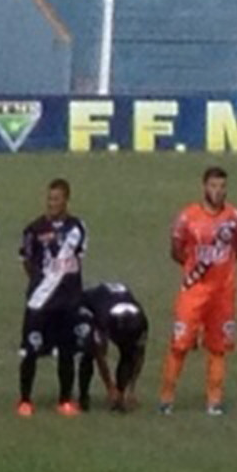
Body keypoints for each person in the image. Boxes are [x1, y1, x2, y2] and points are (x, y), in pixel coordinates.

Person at [163, 165, 237, 416]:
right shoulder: (188, 217)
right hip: (194, 290)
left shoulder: (236, 219)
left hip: (223, 292)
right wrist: (193, 269)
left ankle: (214, 400)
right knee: (180, 344)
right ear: (204, 187)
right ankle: (166, 397)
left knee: (218, 347)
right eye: (213, 186)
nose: (218, 191)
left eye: (222, 186)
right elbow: (176, 250)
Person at [16, 178, 88, 416]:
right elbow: (26, 261)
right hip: (40, 302)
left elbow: (78, 259)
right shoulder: (34, 229)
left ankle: (65, 400)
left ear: (66, 200)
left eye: (56, 199)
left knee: (67, 353)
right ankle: (25, 400)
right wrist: (41, 282)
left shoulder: (77, 228)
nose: (52, 203)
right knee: (31, 351)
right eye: (49, 199)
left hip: (68, 302)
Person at [79, 282, 149, 413]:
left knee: (128, 353)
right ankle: (84, 396)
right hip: (90, 304)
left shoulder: (142, 323)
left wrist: (130, 390)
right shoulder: (104, 318)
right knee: (89, 350)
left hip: (114, 302)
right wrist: (110, 388)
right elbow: (100, 355)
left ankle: (122, 392)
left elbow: (139, 355)